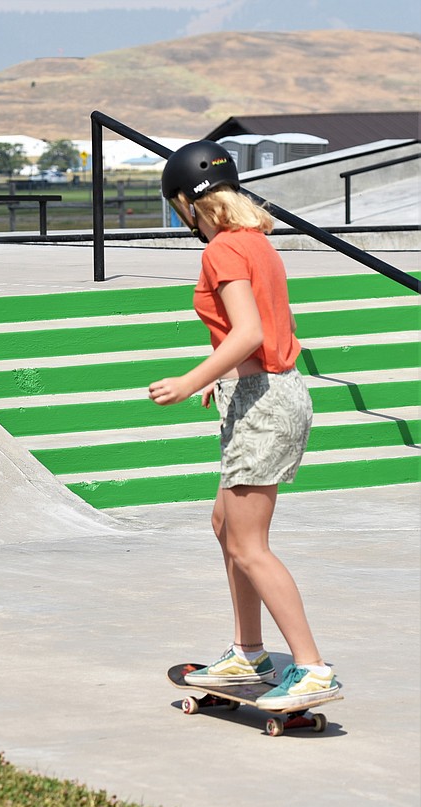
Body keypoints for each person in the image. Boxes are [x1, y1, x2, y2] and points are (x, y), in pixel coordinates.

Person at [149, 140, 340, 711]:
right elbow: (254, 332)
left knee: (249, 544)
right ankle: (248, 654)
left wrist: (189, 379)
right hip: (261, 391)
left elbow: (250, 332)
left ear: (188, 202)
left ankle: (310, 668)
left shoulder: (222, 251)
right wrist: (219, 376)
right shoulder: (254, 242)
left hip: (264, 401)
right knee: (224, 525)